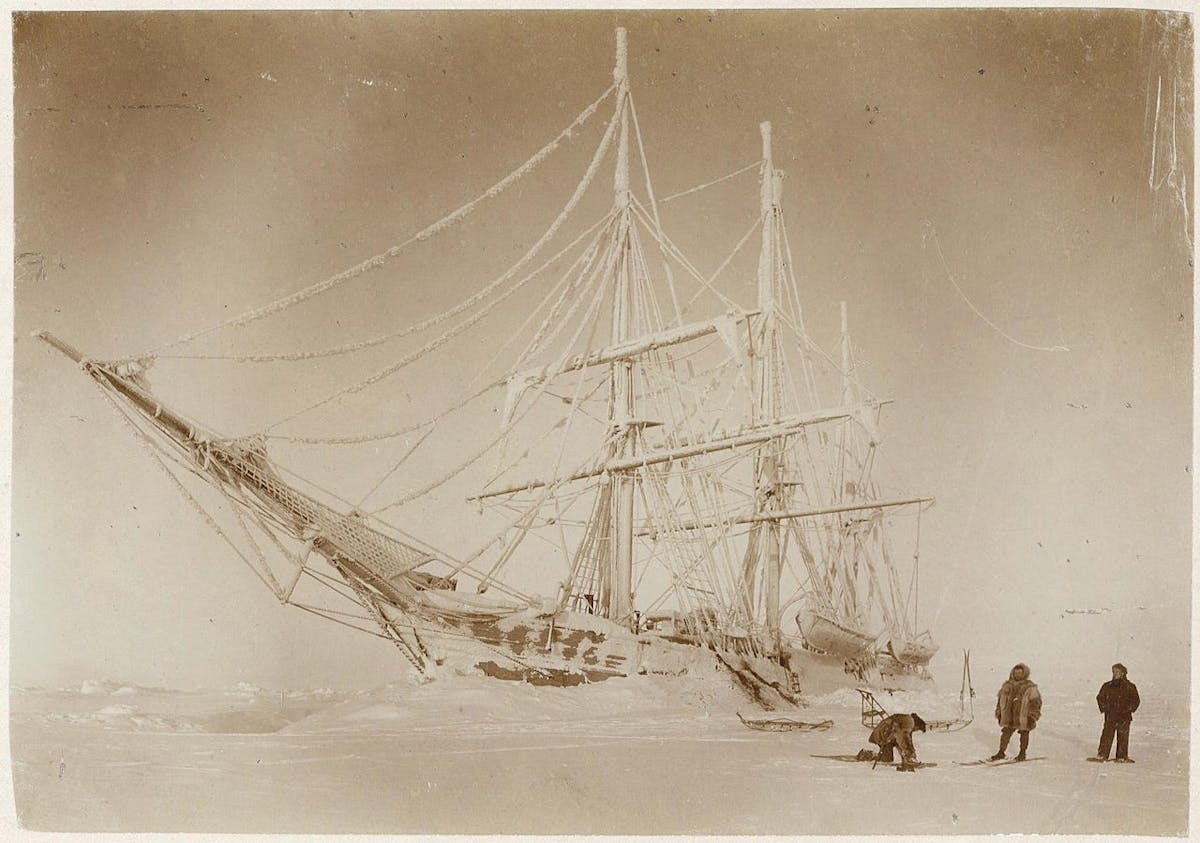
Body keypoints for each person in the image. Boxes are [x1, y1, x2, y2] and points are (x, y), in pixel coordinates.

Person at [990, 662, 1042, 761]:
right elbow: (1000, 700)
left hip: (1023, 716)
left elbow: (1036, 703)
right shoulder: (1006, 686)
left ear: (1024, 674)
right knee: (1005, 733)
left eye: (1020, 673)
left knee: (1024, 733)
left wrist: (1032, 716)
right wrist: (999, 712)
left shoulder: (1030, 687)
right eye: (1016, 673)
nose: (1017, 675)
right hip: (1009, 715)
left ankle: (1022, 753)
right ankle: (1001, 752)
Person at [1091, 663, 1140, 763]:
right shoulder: (1107, 685)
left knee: (1123, 737)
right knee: (1106, 736)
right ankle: (1102, 755)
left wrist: (1129, 709)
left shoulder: (1130, 686)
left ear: (1123, 673)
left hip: (1124, 717)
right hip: (1110, 716)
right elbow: (1100, 697)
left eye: (1117, 672)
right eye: (1113, 672)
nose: (1115, 674)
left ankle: (1121, 757)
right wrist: (1105, 708)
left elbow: (1136, 700)